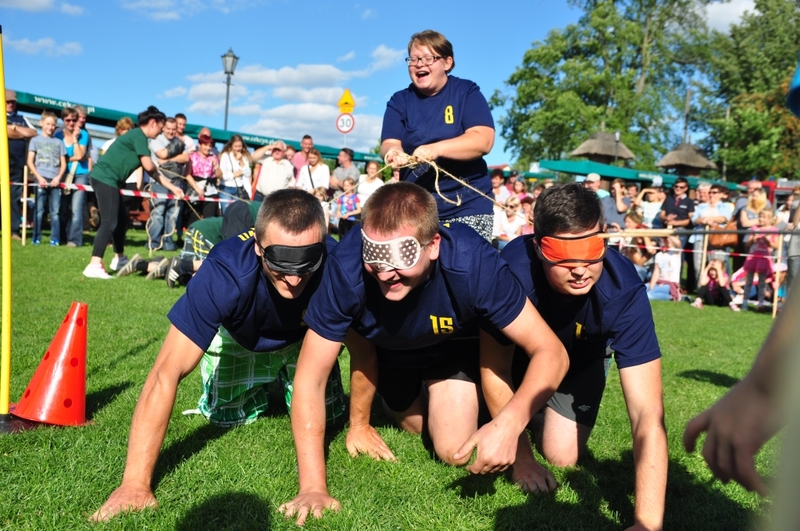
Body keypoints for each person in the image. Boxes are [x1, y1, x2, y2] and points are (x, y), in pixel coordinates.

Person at [279, 182, 569, 526]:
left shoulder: (473, 261)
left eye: (400, 257)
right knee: (415, 426)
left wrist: (510, 427)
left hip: (451, 350)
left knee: (454, 449)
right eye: (374, 256)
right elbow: (310, 379)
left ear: (433, 246)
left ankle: (480, 407)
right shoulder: (345, 267)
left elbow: (552, 352)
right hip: (390, 355)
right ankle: (429, 403)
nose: (384, 272)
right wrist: (312, 487)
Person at [91, 190, 347, 522]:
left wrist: (318, 480)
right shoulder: (225, 271)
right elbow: (166, 372)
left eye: (306, 263)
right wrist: (134, 485)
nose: (295, 278)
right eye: (281, 262)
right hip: (243, 339)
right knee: (224, 414)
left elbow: (362, 343)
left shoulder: (338, 264)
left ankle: (285, 377)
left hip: (307, 341)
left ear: (323, 245)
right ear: (258, 247)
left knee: (334, 415)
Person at [491, 183, 667, 531]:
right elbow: (494, 367)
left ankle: (536, 412)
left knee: (563, 456)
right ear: (539, 248)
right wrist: (521, 460)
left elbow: (648, 413)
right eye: (564, 256)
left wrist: (648, 523)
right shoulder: (511, 269)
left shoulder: (624, 290)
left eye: (591, 252)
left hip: (582, 360)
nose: (580, 269)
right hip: (517, 362)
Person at [381, 30, 495, 241]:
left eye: (428, 58)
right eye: (413, 59)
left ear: (447, 62)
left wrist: (435, 150)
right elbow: (389, 142)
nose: (419, 64)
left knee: (467, 259)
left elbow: (483, 140)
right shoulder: (399, 101)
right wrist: (393, 153)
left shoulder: (466, 92)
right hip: (416, 208)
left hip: (468, 205)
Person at [82, 106, 165, 279]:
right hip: (105, 178)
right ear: (153, 123)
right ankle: (94, 264)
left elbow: (150, 170)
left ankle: (119, 258)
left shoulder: (138, 137)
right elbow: (149, 167)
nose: (161, 131)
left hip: (109, 180)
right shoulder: (139, 136)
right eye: (161, 126)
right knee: (109, 222)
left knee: (121, 220)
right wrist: (158, 167)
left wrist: (173, 188)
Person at [147, 117, 188, 252]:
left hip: (175, 183)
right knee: (158, 213)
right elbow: (161, 155)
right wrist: (171, 157)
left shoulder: (179, 141)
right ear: (163, 128)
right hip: (159, 181)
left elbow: (186, 157)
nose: (171, 131)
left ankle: (168, 243)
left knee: (172, 214)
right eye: (168, 129)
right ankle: (154, 242)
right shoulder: (156, 140)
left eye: (173, 129)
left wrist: (169, 159)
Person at [26, 111, 66, 246]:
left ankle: (55, 239)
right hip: (40, 179)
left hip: (55, 181)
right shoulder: (35, 140)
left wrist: (58, 177)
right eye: (48, 124)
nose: (50, 127)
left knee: (55, 212)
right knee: (39, 210)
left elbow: (63, 163)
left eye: (53, 125)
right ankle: (36, 238)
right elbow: (30, 161)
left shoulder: (59, 142)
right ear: (41, 123)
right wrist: (39, 177)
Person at [55, 106, 90, 248]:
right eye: (67, 120)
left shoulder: (83, 134)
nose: (71, 123)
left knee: (76, 208)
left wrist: (75, 139)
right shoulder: (57, 135)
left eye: (74, 120)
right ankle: (62, 237)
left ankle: (74, 240)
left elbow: (81, 155)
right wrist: (70, 158)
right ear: (63, 120)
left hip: (80, 173)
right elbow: (56, 157)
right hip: (63, 174)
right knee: (62, 208)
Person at [5, 89, 37, 240]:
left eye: (13, 102)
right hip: (3, 161)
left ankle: (14, 230)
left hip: (18, 163)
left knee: (15, 197)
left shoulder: (22, 118)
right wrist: (20, 134)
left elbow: (33, 133)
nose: (10, 104)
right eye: (7, 101)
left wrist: (14, 128)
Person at [741, 207, 779, 312]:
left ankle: (760, 303)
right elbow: (747, 244)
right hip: (753, 256)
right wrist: (753, 239)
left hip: (764, 257)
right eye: (760, 217)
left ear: (770, 219)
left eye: (764, 217)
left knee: (762, 281)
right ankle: (745, 301)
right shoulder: (755, 228)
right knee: (749, 280)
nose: (761, 219)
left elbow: (777, 246)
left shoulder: (773, 230)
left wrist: (768, 241)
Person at [185, 134, 222, 223]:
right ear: (199, 145)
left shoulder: (213, 157)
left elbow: (219, 175)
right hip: (195, 190)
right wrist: (197, 189)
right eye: (205, 145)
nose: (208, 148)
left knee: (209, 219)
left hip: (210, 191)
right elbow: (187, 175)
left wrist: (216, 166)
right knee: (194, 218)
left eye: (210, 146)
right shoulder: (192, 156)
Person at [218, 134, 253, 213]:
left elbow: (248, 174)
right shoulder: (225, 155)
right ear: (231, 146)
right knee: (227, 212)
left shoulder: (244, 157)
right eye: (236, 146)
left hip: (239, 189)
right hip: (226, 188)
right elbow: (222, 175)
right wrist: (235, 175)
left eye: (240, 146)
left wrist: (241, 160)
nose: (238, 148)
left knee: (237, 213)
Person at [647, 235, 684, 301]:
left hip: (671, 284)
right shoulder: (658, 255)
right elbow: (656, 272)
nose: (667, 240)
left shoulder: (675, 252)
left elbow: (678, 243)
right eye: (664, 238)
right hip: (659, 282)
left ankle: (674, 296)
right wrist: (651, 286)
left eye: (667, 238)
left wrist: (668, 234)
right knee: (642, 289)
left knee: (648, 295)